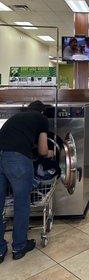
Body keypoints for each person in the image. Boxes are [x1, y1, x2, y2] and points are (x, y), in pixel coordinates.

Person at [0, 100, 52, 262]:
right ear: (42, 112)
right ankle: (19, 247)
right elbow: (42, 150)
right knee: (21, 203)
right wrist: (49, 153)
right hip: (17, 160)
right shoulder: (42, 119)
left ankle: (0, 250)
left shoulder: (16, 118)